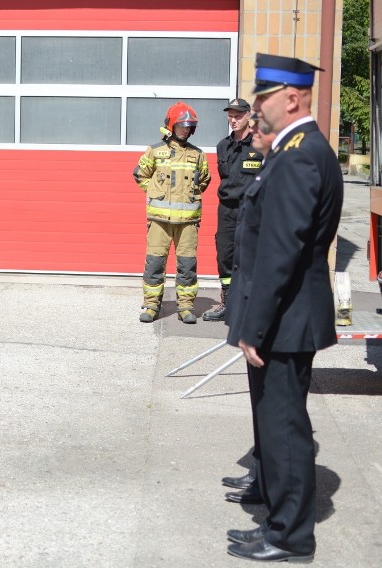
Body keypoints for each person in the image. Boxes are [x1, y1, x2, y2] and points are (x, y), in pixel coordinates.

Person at [224, 54, 343, 563]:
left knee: (285, 428)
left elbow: (281, 251)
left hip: (285, 317)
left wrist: (254, 327)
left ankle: (290, 537)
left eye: (263, 98)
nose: (256, 109)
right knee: (274, 423)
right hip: (283, 313)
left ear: (291, 98)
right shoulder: (292, 149)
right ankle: (276, 512)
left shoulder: (298, 154)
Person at [221, 114, 276, 507]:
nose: (247, 130)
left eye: (257, 124)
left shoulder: (291, 168)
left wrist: (255, 324)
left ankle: (285, 525)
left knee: (278, 413)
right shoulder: (265, 163)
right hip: (256, 312)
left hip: (275, 321)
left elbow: (281, 257)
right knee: (263, 408)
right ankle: (261, 478)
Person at [133, 102, 211, 324]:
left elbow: (204, 180)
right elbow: (140, 175)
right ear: (171, 125)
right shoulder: (155, 152)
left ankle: (185, 307)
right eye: (182, 126)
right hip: (159, 221)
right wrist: (156, 191)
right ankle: (151, 305)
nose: (185, 130)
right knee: (155, 264)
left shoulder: (198, 155)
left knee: (187, 266)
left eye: (189, 127)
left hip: (188, 223)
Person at [203, 99, 263, 322]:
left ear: (249, 116)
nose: (233, 119)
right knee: (225, 256)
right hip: (227, 210)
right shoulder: (222, 146)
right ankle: (227, 303)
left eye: (238, 115)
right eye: (230, 115)